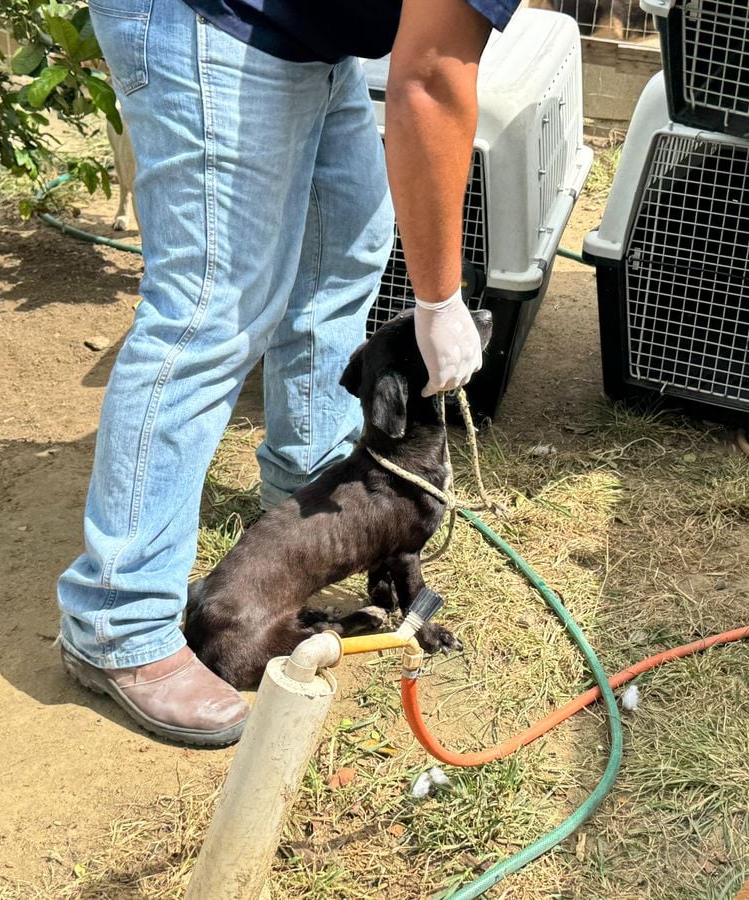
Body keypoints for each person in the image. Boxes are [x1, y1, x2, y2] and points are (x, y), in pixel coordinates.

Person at [57, 0, 522, 746]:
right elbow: (430, 80)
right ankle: (119, 621)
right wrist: (438, 300)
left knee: (337, 267)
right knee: (210, 313)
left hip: (310, 38)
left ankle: (313, 494)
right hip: (207, 19)